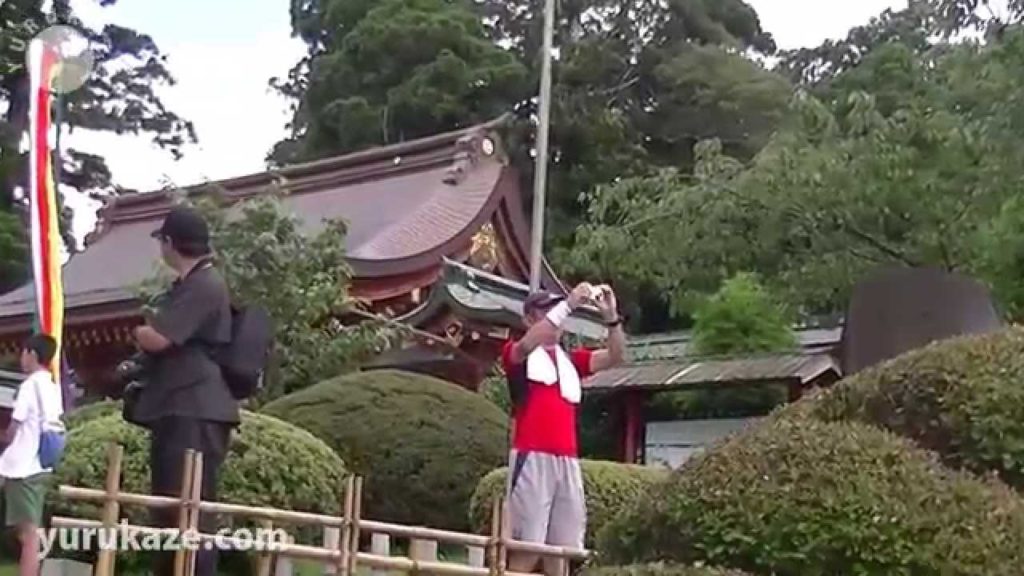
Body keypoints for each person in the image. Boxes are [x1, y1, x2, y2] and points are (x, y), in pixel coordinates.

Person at [130, 205, 239, 576]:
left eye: (162, 240)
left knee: (189, 509)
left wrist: (142, 332)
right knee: (170, 509)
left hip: (196, 406)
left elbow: (161, 338)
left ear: (171, 243)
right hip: (181, 404)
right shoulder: (191, 284)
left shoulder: (206, 283)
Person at [501, 282, 627, 576]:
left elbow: (615, 356)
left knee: (564, 550)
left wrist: (611, 317)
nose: (555, 318)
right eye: (546, 311)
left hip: (567, 461)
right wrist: (568, 304)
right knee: (528, 548)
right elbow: (530, 342)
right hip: (533, 457)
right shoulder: (516, 354)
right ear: (529, 318)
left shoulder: (571, 360)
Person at [0, 333, 64, 576]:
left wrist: (6, 438)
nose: (21, 357)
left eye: (24, 352)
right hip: (41, 462)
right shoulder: (51, 385)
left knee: (28, 532)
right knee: (27, 529)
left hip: (22, 465)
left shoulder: (29, 386)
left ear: (33, 355)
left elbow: (16, 424)